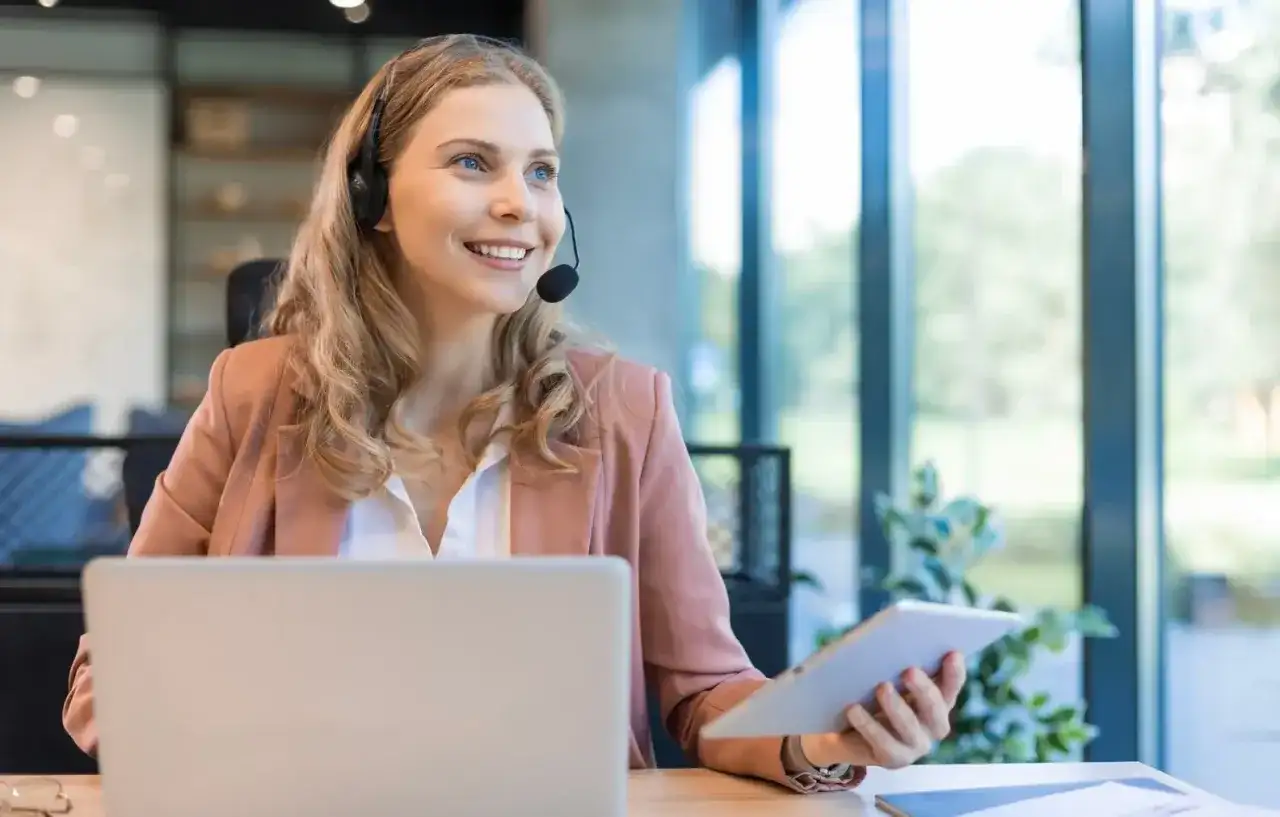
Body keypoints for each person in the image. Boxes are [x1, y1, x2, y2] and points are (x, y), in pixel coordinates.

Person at [63, 34, 966, 793]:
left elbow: (705, 689)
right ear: (371, 198)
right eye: (471, 163)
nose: (519, 204)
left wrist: (818, 740)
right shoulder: (252, 393)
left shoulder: (625, 410)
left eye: (540, 171)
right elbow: (108, 679)